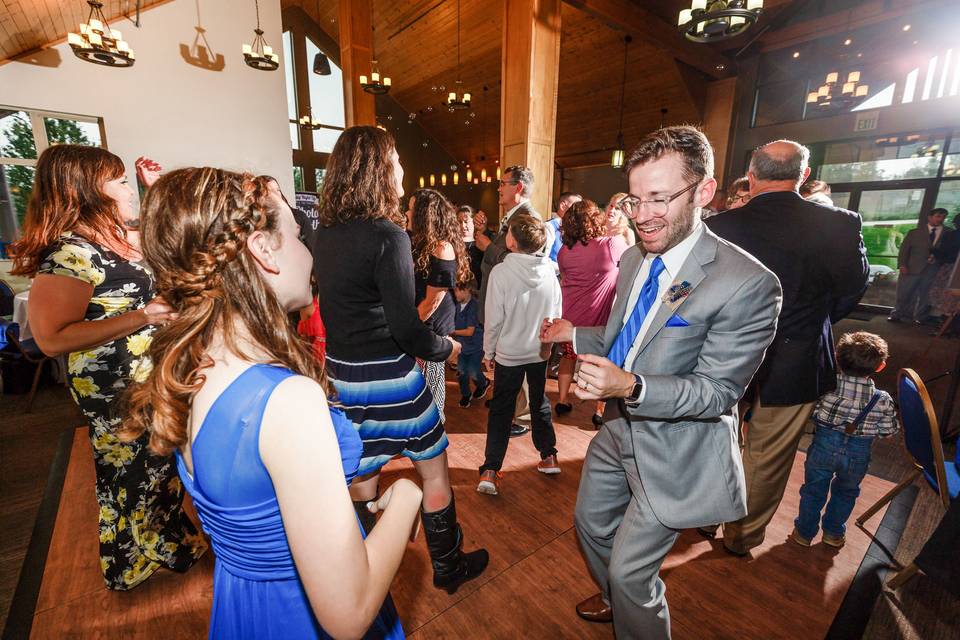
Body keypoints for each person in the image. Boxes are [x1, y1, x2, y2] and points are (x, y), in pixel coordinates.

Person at [123, 167, 418, 638]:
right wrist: (406, 496)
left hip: (243, 606)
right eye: (299, 236)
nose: (309, 252)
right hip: (292, 615)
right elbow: (349, 612)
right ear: (264, 251)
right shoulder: (285, 401)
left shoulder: (191, 370)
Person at [540, 125, 781, 638]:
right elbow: (625, 334)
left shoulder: (747, 282)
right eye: (635, 199)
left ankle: (627, 598)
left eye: (660, 198)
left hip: (679, 448)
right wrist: (576, 333)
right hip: (617, 430)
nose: (643, 215)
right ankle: (618, 598)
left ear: (704, 191)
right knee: (589, 526)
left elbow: (718, 392)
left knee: (632, 571)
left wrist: (630, 387)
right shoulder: (632, 258)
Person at [10, 144, 206, 590]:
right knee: (132, 471)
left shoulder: (118, 234)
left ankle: (135, 555)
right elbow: (51, 337)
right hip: (112, 384)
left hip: (149, 375)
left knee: (153, 468)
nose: (127, 189)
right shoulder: (69, 254)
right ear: (85, 189)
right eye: (118, 181)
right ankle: (143, 554)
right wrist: (143, 316)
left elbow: (171, 239)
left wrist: (155, 191)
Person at [312, 126, 488, 594]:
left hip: (343, 376)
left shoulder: (323, 233)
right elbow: (406, 329)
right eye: (396, 161)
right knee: (433, 471)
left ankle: (365, 572)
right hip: (391, 376)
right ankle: (448, 568)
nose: (402, 170)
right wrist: (446, 349)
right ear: (379, 169)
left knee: (363, 471)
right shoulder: (387, 236)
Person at [706, 139, 869, 556]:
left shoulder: (720, 227)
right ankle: (740, 538)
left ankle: (702, 515)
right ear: (804, 175)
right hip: (798, 353)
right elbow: (852, 290)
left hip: (724, 352)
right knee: (769, 455)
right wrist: (812, 317)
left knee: (712, 438)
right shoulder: (839, 224)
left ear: (752, 175)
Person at [478, 213, 562, 495]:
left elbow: (494, 318)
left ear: (512, 241)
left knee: (502, 410)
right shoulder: (550, 269)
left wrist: (488, 351)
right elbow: (557, 313)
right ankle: (549, 455)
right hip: (539, 351)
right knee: (538, 402)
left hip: (509, 353)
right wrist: (548, 344)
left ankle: (490, 469)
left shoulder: (502, 272)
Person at [791, 331, 898, 549]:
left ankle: (804, 532)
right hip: (858, 455)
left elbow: (814, 413)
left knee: (813, 490)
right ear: (880, 366)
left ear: (837, 359)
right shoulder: (883, 399)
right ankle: (833, 533)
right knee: (846, 492)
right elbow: (888, 432)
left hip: (823, 448)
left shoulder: (826, 387)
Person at [554, 199, 628, 427]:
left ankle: (563, 399)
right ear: (596, 220)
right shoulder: (611, 245)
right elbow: (632, 259)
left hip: (569, 315)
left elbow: (566, 277)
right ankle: (599, 409)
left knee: (568, 357)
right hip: (598, 317)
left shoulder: (564, 252)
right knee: (600, 362)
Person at [409, 188, 472, 421]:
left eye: (412, 209)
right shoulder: (420, 242)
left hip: (430, 326)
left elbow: (432, 301)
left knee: (432, 395)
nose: (407, 212)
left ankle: (433, 435)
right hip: (421, 322)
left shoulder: (441, 247)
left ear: (425, 215)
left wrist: (410, 326)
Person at [890, 207, 953, 324]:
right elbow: (904, 250)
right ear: (930, 217)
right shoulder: (915, 232)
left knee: (926, 295)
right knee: (904, 292)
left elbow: (949, 252)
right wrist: (902, 264)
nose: (941, 219)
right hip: (912, 267)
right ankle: (897, 314)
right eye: (938, 216)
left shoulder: (948, 233)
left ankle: (920, 317)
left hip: (934, 269)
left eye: (943, 217)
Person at [451, 280, 489, 407]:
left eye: (457, 290)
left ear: (467, 289)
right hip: (462, 345)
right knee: (462, 373)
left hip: (476, 345)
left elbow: (469, 331)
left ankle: (483, 383)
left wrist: (452, 331)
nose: (454, 293)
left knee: (473, 370)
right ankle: (466, 395)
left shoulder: (474, 306)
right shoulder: (456, 304)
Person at [546, 191, 582, 263]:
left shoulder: (576, 229)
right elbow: (542, 258)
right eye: (576, 207)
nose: (579, 211)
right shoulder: (549, 227)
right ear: (562, 206)